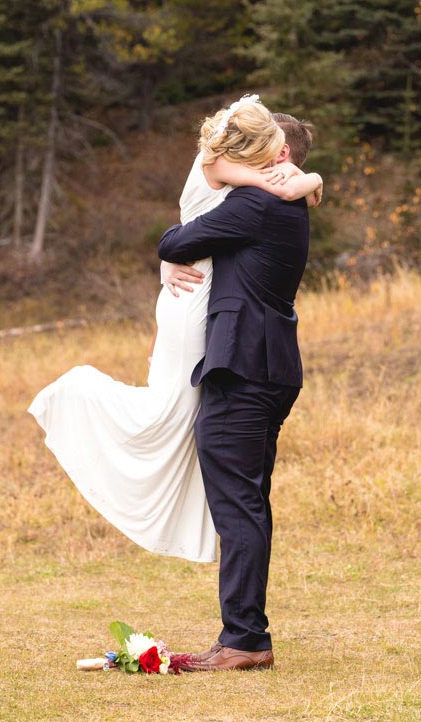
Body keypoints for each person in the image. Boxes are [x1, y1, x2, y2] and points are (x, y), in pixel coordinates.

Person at [28, 96, 321, 564]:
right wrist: (294, 179)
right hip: (201, 308)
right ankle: (76, 396)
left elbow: (186, 234)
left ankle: (239, 616)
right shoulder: (239, 182)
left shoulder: (264, 198)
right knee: (172, 418)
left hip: (213, 320)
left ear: (280, 152)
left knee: (186, 427)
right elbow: (200, 191)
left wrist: (306, 179)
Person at [157, 108, 314, 671]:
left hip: (243, 368)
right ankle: (245, 634)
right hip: (268, 366)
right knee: (248, 503)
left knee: (239, 505)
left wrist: (172, 256)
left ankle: (245, 640)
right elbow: (211, 171)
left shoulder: (255, 205)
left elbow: (172, 238)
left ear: (278, 155)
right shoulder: (283, 200)